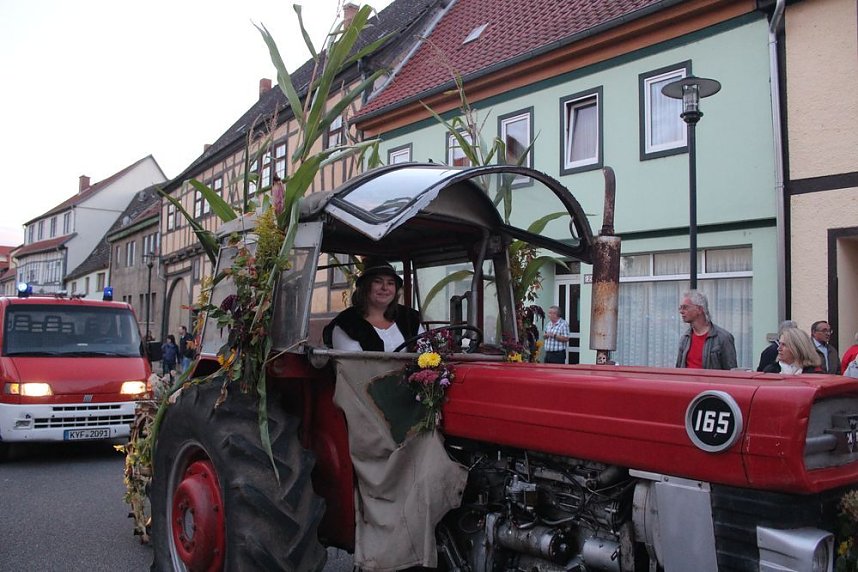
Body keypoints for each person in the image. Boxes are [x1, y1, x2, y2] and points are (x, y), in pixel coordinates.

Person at [324, 258, 422, 352]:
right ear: (365, 286)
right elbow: (351, 365)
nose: (385, 287)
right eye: (377, 282)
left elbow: (426, 353)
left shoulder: (410, 318)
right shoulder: (347, 324)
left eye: (390, 283)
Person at [675, 290, 738, 370]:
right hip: (688, 382)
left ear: (699, 309)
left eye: (685, 307)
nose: (681, 311)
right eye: (680, 308)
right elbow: (678, 370)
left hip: (711, 382)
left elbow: (731, 372)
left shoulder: (723, 338)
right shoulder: (685, 339)